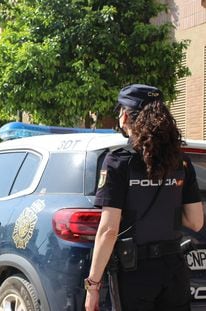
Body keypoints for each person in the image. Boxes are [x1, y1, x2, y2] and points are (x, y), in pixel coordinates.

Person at [84, 84, 204, 311]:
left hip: (134, 274)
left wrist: (93, 286)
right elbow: (196, 221)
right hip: (174, 271)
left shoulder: (118, 161)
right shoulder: (181, 161)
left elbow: (108, 230)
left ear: (126, 115)